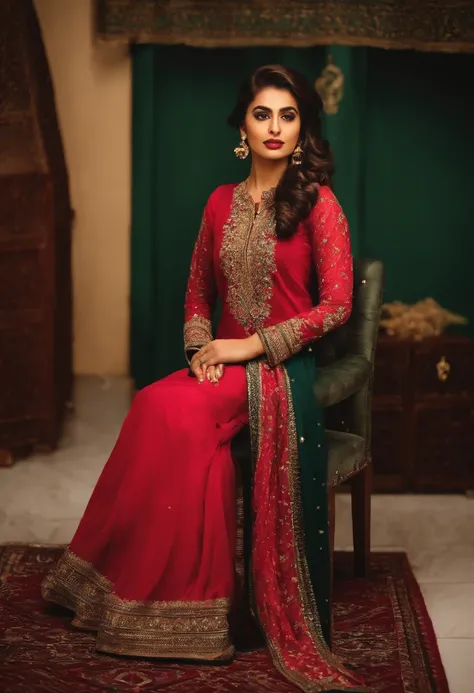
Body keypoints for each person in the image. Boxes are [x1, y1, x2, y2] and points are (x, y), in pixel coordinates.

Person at [42, 65, 367, 692]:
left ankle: (182, 601)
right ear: (242, 126)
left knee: (178, 415)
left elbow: (337, 306)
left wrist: (249, 345)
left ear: (303, 129)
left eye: (289, 115)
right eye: (263, 114)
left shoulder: (319, 204)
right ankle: (138, 594)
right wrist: (200, 350)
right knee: (153, 405)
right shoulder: (220, 202)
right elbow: (196, 293)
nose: (275, 127)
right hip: (220, 363)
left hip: (279, 369)